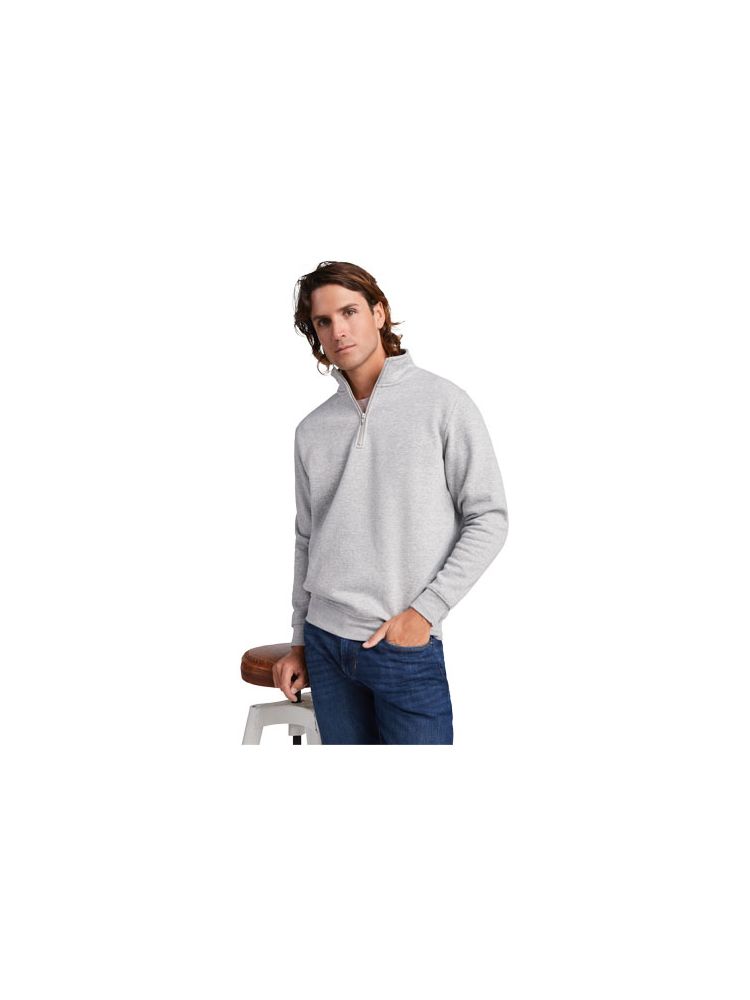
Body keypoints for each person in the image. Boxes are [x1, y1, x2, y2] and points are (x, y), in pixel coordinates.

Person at [272, 261, 509, 744]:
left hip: (401, 644)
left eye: (350, 312)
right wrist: (299, 640)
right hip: (325, 643)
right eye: (323, 321)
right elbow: (307, 538)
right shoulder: (311, 430)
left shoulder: (444, 404)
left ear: (379, 313)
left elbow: (488, 517)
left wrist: (425, 612)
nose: (338, 331)